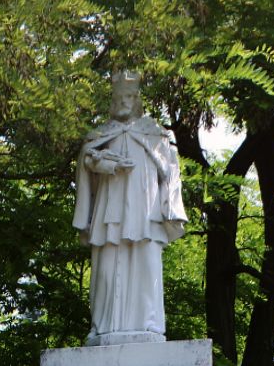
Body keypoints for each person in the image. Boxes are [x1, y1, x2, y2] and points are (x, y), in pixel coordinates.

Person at [72, 71, 186, 346]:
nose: (124, 102)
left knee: (147, 264)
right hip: (109, 212)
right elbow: (86, 162)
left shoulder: (154, 132)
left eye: (129, 97)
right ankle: (102, 326)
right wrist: (104, 163)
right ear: (113, 101)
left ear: (137, 100)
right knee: (106, 269)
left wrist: (170, 206)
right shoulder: (101, 133)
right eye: (119, 97)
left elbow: (169, 168)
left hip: (146, 210)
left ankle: (148, 324)